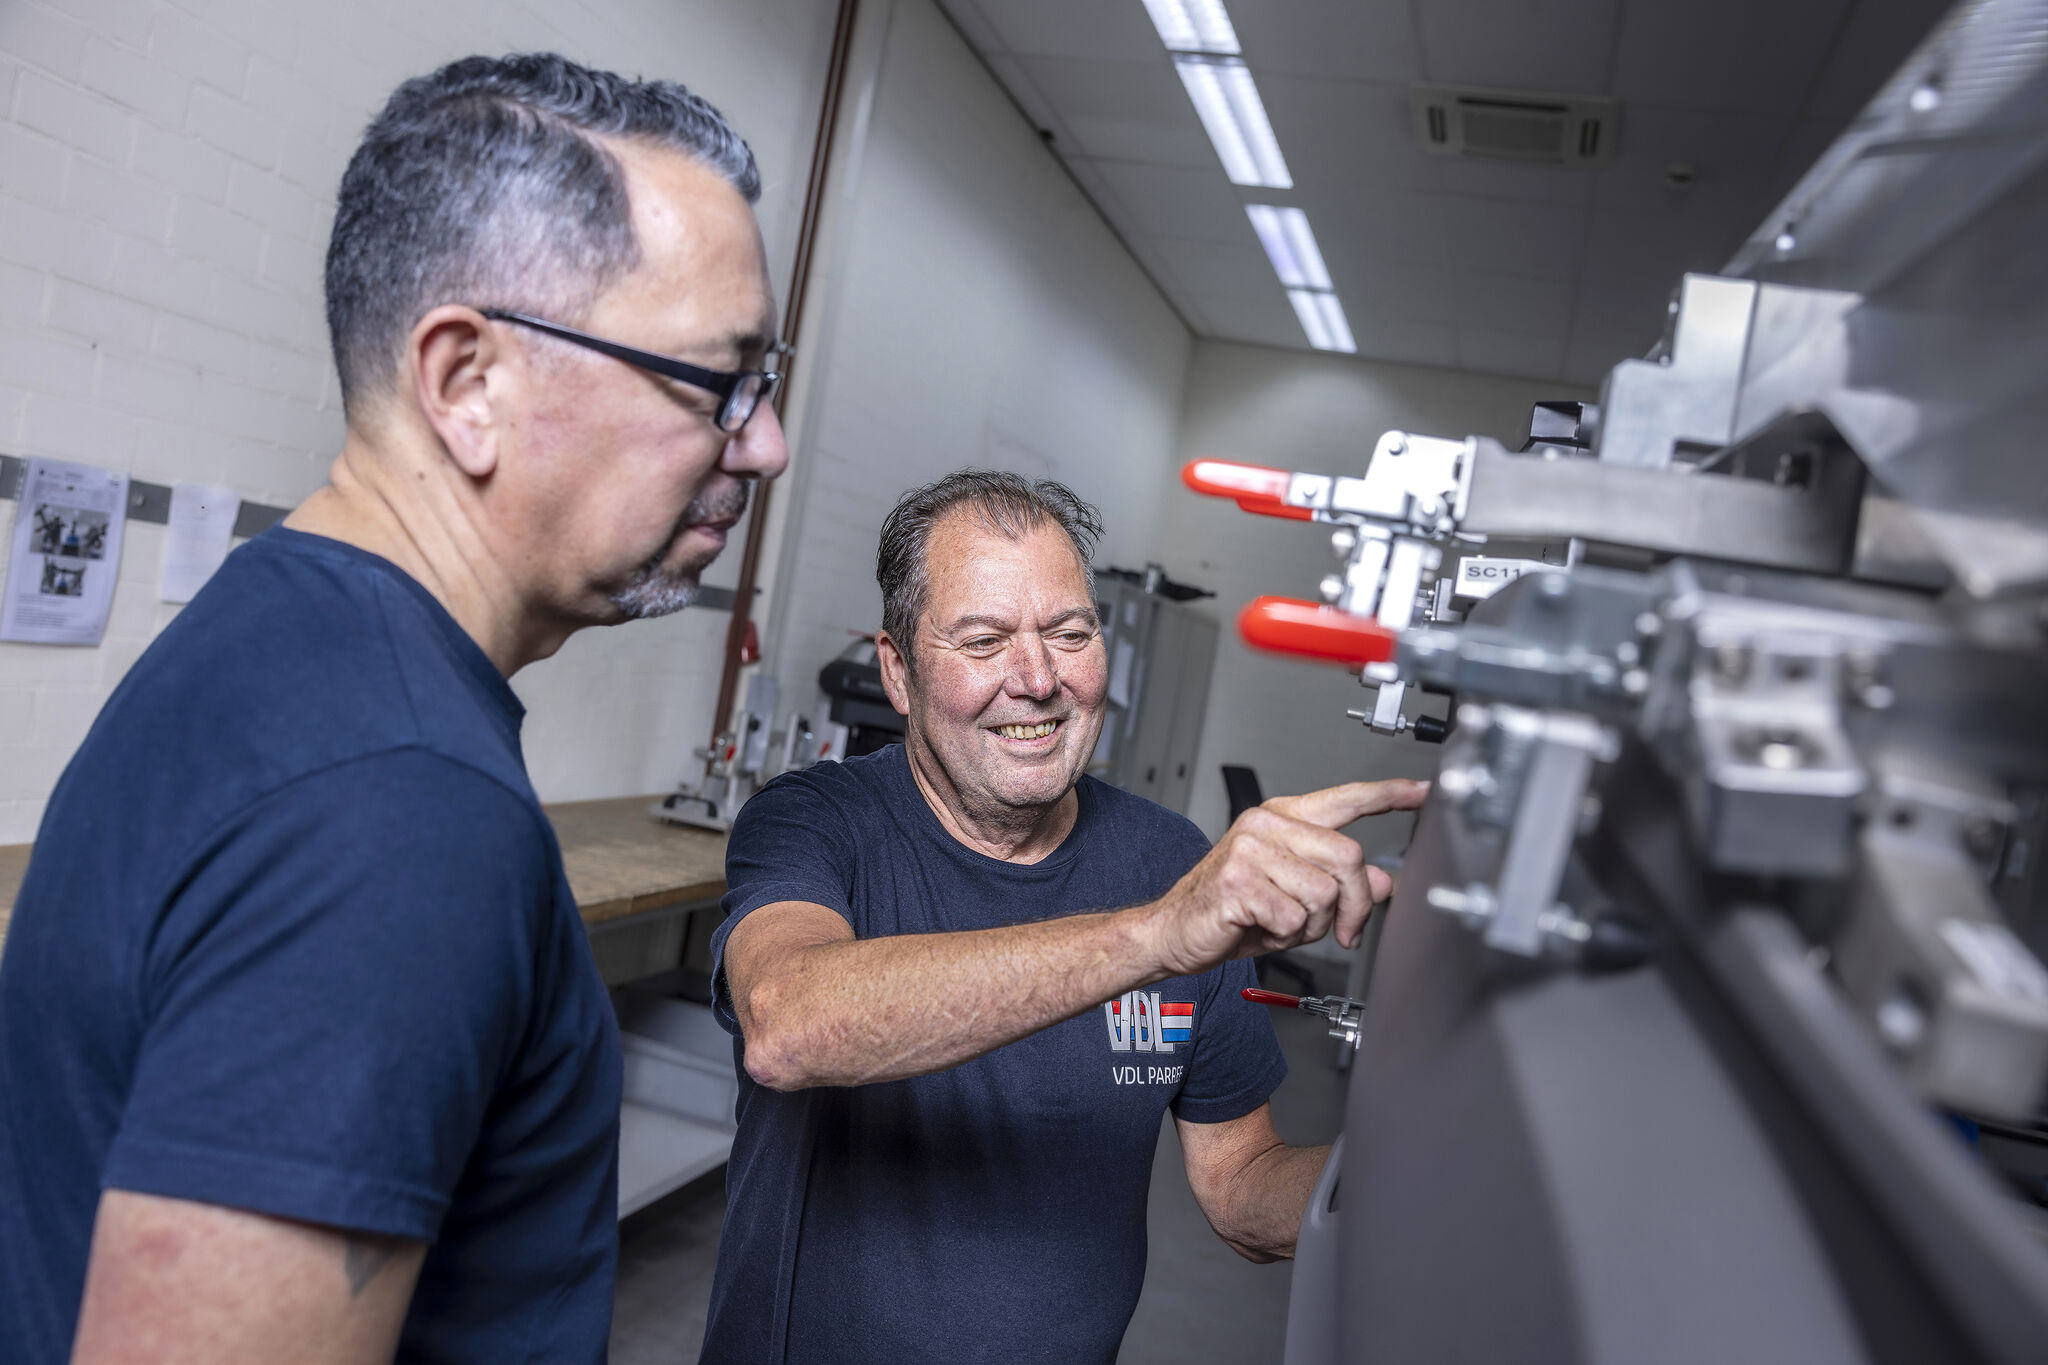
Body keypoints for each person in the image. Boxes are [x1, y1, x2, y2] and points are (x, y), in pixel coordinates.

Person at [0, 53, 788, 1365]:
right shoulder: (403, 808)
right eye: (718, 381)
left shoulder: (273, 630)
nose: (760, 444)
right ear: (468, 381)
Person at [703, 470, 1426, 1362]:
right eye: (982, 640)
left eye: (1069, 633)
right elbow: (790, 1023)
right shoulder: (816, 821)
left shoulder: (1170, 861)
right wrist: (1156, 935)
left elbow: (1241, 1187)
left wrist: (1421, 1181)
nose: (1038, 679)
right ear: (898, 671)